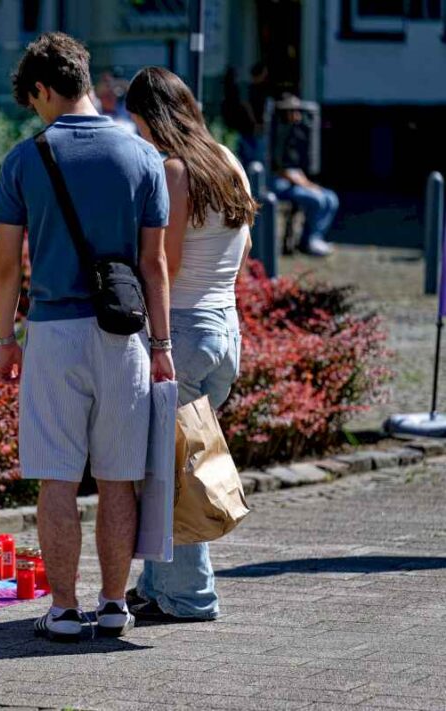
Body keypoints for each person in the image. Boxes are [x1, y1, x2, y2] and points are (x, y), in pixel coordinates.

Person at [0, 33, 173, 642]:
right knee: (119, 476)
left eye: (33, 101)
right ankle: (116, 603)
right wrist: (164, 347)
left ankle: (65, 610)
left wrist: (4, 339)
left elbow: (6, 265)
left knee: (59, 478)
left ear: (43, 89)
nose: (36, 112)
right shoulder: (143, 157)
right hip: (126, 335)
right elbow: (156, 266)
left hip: (53, 332)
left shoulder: (24, 160)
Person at [123, 66, 256, 622]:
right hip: (224, 330)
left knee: (175, 471)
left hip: (184, 332)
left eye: (136, 124)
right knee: (172, 461)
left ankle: (189, 596)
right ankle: (158, 587)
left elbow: (165, 266)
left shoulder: (174, 172)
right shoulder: (227, 161)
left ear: (153, 119)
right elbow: (242, 250)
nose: (136, 136)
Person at [271, 94, 338, 257]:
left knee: (331, 198)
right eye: (294, 111)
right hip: (279, 184)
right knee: (317, 200)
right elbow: (281, 170)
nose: (298, 115)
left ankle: (315, 236)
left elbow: (295, 169)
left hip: (296, 182)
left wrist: (309, 184)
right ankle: (309, 241)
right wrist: (307, 186)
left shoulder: (293, 134)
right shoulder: (276, 135)